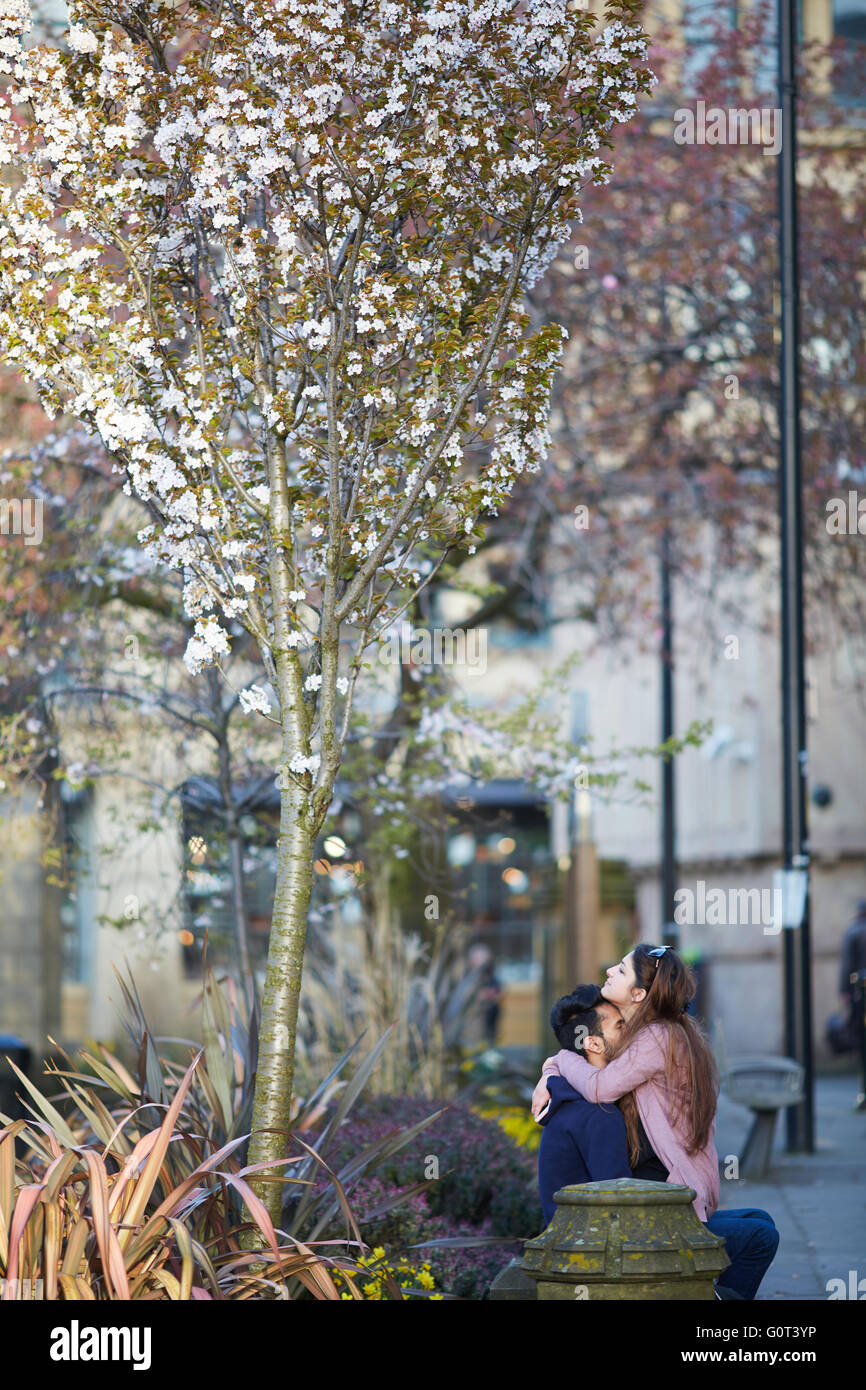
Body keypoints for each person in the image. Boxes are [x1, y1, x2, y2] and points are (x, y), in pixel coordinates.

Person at [533, 945, 779, 1301]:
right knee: (761, 1232)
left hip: (673, 1188)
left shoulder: (654, 1038)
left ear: (638, 994)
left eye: (620, 970)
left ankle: (707, 1290)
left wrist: (555, 1062)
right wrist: (558, 1067)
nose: (609, 971)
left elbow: (600, 1084)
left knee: (760, 1225)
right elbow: (616, 1196)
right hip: (622, 1222)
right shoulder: (661, 1036)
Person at [536, 984, 632, 1224]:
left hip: (569, 1248)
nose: (630, 1032)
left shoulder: (571, 1102)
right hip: (594, 1254)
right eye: (620, 1026)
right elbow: (620, 1205)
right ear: (594, 1044)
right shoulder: (599, 1114)